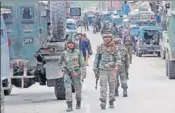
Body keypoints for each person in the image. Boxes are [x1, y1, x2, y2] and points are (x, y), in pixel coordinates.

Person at [93, 31, 121, 109]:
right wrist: (95, 68)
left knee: (112, 86)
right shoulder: (100, 47)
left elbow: (118, 58)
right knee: (103, 86)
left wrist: (116, 67)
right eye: (105, 37)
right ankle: (103, 101)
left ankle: (111, 101)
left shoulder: (114, 47)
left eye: (108, 37)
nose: (107, 39)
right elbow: (97, 58)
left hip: (112, 70)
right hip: (102, 69)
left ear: (111, 38)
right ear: (103, 38)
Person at [60, 38, 86, 112]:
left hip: (77, 73)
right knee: (68, 90)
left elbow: (83, 64)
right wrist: (63, 68)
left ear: (74, 44)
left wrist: (83, 73)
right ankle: (69, 104)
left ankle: (78, 101)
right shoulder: (64, 53)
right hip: (67, 73)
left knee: (78, 89)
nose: (70, 44)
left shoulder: (78, 52)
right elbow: (60, 63)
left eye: (72, 43)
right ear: (67, 45)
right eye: (69, 43)